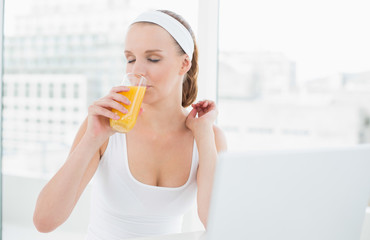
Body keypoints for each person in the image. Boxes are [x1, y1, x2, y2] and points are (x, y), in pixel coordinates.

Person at [33, 9, 227, 239]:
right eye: (130, 59)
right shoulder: (105, 126)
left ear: (184, 63)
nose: (137, 71)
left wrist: (203, 135)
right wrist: (92, 139)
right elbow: (44, 221)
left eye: (153, 59)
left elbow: (217, 224)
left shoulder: (208, 136)